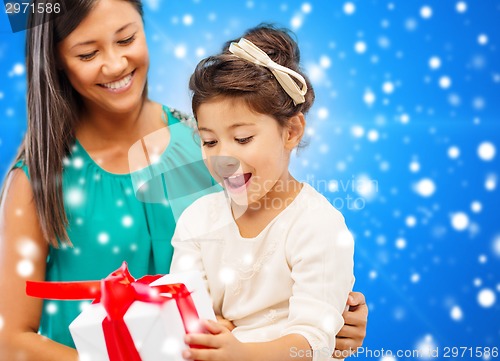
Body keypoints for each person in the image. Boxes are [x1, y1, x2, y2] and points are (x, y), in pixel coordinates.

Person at [0, 1, 367, 360]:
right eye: (87, 54)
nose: (114, 64)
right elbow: (10, 341)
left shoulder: (203, 144)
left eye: (126, 39)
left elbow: (279, 288)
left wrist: (333, 317)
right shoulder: (36, 182)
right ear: (56, 61)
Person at [170, 25, 356, 361]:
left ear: (292, 131)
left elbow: (313, 341)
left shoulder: (317, 225)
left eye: (242, 139)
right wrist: (206, 328)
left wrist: (239, 352)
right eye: (210, 141)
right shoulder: (197, 221)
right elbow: (183, 315)